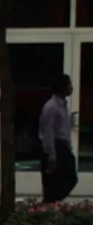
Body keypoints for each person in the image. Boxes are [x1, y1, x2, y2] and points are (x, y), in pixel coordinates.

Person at [40, 73, 78, 204]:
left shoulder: (62, 105)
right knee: (53, 182)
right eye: (69, 85)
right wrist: (51, 155)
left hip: (63, 147)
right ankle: (49, 203)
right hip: (55, 146)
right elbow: (48, 132)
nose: (71, 88)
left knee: (70, 178)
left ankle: (53, 201)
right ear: (61, 87)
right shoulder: (51, 107)